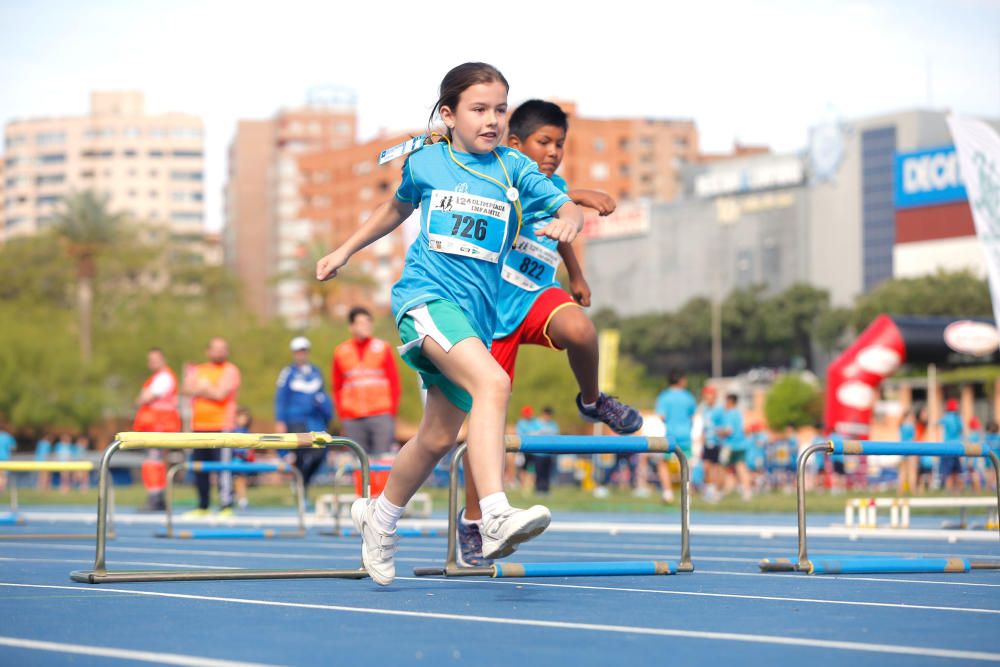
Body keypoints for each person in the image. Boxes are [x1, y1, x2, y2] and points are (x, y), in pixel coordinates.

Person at [316, 62, 583, 585]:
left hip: (474, 318)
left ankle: (380, 515)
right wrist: (344, 250)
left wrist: (570, 215)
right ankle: (495, 514)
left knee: (437, 437)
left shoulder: (515, 169)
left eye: (500, 110)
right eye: (479, 110)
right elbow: (393, 210)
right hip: (425, 301)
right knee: (493, 381)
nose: (492, 120)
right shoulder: (427, 163)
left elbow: (564, 203)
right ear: (449, 114)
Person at [458, 99, 643, 563]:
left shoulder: (552, 187)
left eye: (560, 144)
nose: (553, 151)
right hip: (494, 312)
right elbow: (519, 208)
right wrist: (577, 192)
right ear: (514, 144)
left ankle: (592, 399)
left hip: (537, 294)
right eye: (544, 142)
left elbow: (561, 229)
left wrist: (576, 275)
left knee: (581, 330)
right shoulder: (494, 180)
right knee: (488, 423)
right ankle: (474, 521)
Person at [182, 337, 241, 516]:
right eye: (216, 349)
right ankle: (203, 505)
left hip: (221, 425)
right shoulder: (200, 370)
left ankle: (226, 504)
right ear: (208, 351)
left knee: (222, 467)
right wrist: (208, 389)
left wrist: (203, 388)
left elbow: (220, 394)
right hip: (199, 425)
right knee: (200, 468)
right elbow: (185, 388)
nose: (219, 352)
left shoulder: (230, 370)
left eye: (223, 349)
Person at [331, 308, 401, 457]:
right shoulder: (341, 351)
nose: (366, 326)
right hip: (352, 417)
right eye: (361, 323)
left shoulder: (382, 348)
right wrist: (343, 415)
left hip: (381, 414)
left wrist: (391, 413)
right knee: (358, 462)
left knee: (383, 461)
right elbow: (337, 387)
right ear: (351, 327)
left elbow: (394, 383)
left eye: (368, 322)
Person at [276, 336, 334, 495]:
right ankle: (300, 487)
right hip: (295, 419)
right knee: (300, 455)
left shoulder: (316, 372)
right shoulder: (288, 372)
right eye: (297, 351)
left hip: (315, 421)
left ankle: (303, 482)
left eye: (303, 351)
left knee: (319, 453)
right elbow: (281, 397)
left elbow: (322, 396)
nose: (300, 354)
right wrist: (280, 420)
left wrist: (327, 416)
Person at [134, 347, 181, 511]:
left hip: (160, 425)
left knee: (153, 462)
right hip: (155, 425)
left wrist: (142, 397)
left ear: (163, 359)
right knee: (155, 462)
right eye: (150, 360)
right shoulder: (156, 378)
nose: (152, 363)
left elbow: (145, 398)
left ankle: (156, 498)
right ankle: (157, 497)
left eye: (155, 359)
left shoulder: (164, 377)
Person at [654, 369, 695, 504]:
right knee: (686, 463)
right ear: (681, 380)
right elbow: (692, 416)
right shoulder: (688, 397)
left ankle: (668, 492)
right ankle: (687, 493)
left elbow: (661, 416)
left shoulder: (664, 397)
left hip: (671, 435)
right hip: (685, 435)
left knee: (663, 464)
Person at [719, 393, 752, 500]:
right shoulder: (738, 414)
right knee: (737, 468)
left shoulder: (729, 414)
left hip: (732, 446)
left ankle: (734, 490)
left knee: (732, 468)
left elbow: (728, 431)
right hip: (741, 444)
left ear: (730, 402)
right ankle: (735, 490)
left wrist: (719, 432)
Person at [697, 386, 724, 502]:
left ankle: (716, 490)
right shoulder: (704, 410)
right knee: (706, 467)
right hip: (707, 442)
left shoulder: (719, 410)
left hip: (717, 442)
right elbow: (704, 426)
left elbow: (723, 427)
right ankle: (710, 488)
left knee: (715, 467)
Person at [938, 398, 964, 493]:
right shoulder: (958, 418)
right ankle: (959, 490)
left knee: (947, 471)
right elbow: (961, 430)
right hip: (958, 446)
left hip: (947, 447)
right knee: (956, 471)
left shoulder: (946, 417)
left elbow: (936, 425)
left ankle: (948, 490)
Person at [897, 409, 917, 495]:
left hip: (902, 449)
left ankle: (900, 491)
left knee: (902, 472)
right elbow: (913, 438)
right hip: (910, 449)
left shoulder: (901, 425)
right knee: (912, 471)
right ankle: (913, 489)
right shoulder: (911, 426)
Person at [0, 425, 13, 493]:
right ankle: (2, 489)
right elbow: (12, 447)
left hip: (4, 458)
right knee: (3, 475)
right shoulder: (8, 436)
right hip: (5, 458)